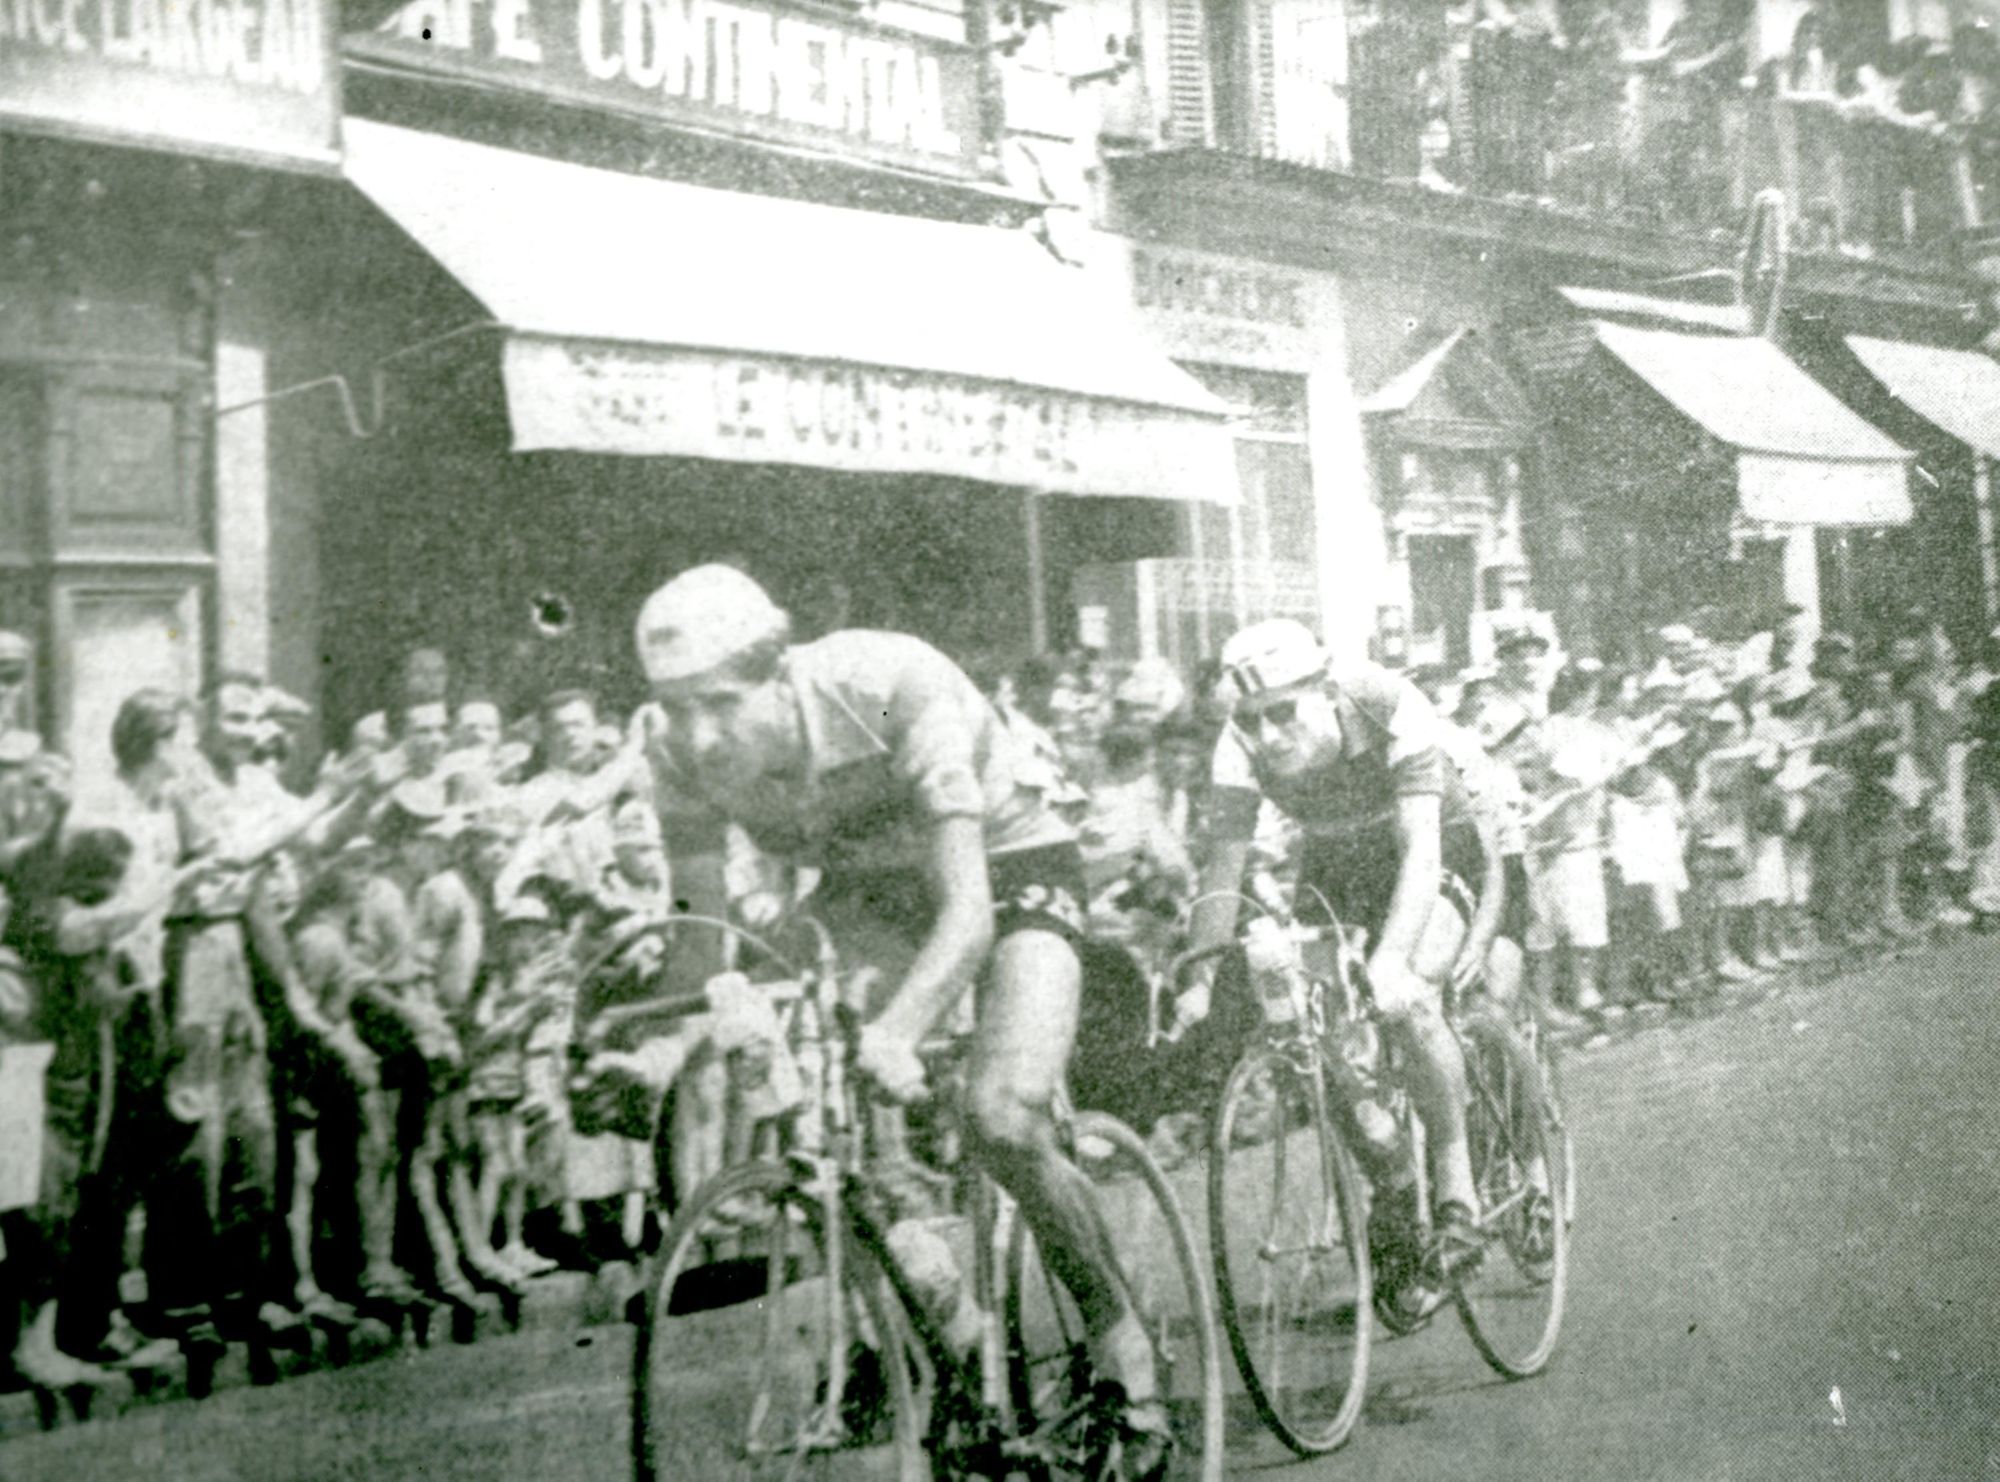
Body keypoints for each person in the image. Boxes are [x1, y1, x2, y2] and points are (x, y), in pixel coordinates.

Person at [581, 564, 1172, 1461]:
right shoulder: (671, 754)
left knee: (999, 1114)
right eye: (674, 705)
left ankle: (1120, 1340)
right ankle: (945, 1330)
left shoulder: (887, 684)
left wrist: (900, 1028)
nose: (699, 736)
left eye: (722, 703)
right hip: (867, 890)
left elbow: (967, 913)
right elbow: (705, 947)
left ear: (779, 671)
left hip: (1009, 867)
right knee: (816, 1115)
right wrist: (663, 1054)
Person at [1170, 618, 1490, 1272]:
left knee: (1406, 1001)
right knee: (1312, 1030)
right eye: (1252, 720)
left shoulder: (1385, 700)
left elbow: (1422, 853)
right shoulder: (1238, 742)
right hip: (1339, 862)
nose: (1266, 735)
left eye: (1282, 713)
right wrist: (1198, 980)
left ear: (1324, 690)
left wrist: (1393, 961)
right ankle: (1393, 1174)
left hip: (1435, 848)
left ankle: (1458, 1194)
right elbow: (1223, 871)